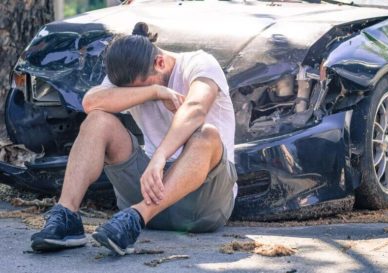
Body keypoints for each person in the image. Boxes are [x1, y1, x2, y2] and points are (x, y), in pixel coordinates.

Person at [30, 22, 237, 255]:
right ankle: (67, 214)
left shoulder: (200, 63)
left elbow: (196, 108)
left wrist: (160, 156)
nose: (138, 95)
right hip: (147, 189)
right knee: (98, 119)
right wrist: (153, 91)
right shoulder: (130, 75)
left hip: (203, 205)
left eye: (143, 87)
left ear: (160, 63)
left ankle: (138, 217)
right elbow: (90, 102)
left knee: (207, 134)